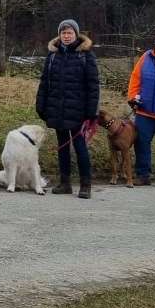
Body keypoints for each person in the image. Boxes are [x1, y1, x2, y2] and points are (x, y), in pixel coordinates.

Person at [35, 19, 100, 198]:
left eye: (70, 32)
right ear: (59, 34)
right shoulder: (53, 55)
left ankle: (85, 184)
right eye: (63, 32)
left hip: (79, 111)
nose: (66, 35)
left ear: (76, 34)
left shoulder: (86, 56)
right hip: (57, 108)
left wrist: (91, 111)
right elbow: (44, 82)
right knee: (62, 147)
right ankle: (65, 183)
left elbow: (93, 86)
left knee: (80, 147)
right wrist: (41, 104)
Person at [127, 25, 155, 188]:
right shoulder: (146, 57)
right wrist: (132, 98)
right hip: (145, 112)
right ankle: (143, 175)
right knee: (141, 143)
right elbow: (135, 79)